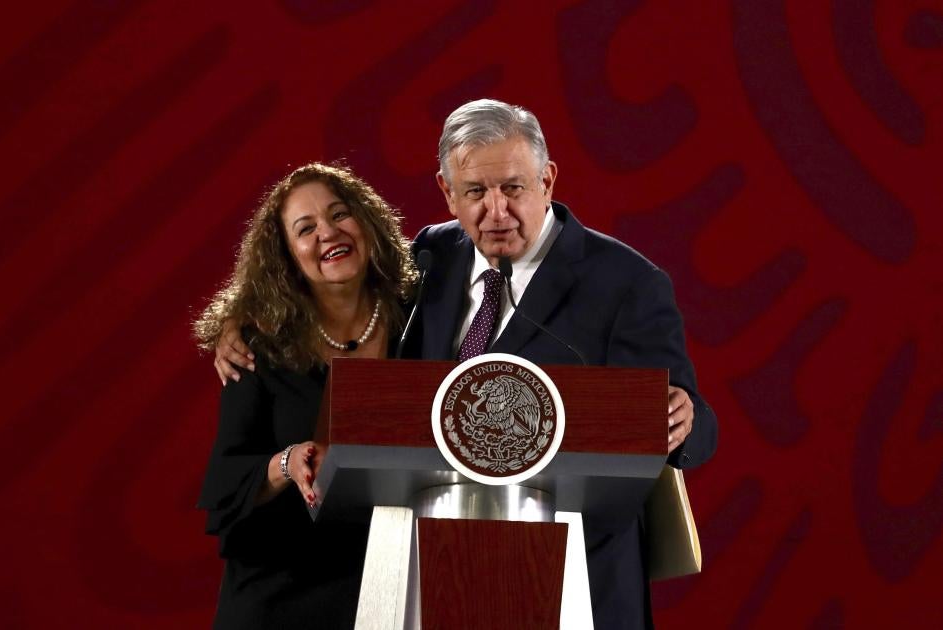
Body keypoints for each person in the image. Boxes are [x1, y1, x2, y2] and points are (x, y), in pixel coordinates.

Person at [214, 100, 717, 629]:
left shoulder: (626, 284)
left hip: (576, 580)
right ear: (447, 193)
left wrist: (685, 420)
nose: (495, 212)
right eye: (475, 193)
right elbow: (335, 290)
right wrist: (241, 322)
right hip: (433, 572)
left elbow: (696, 426)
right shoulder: (433, 255)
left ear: (547, 180)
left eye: (513, 188)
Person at [194, 162, 416, 629]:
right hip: (278, 598)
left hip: (387, 590)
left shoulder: (419, 319)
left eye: (340, 214)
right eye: (306, 228)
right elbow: (226, 478)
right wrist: (286, 462)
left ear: (367, 221)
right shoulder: (259, 347)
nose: (328, 233)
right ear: (287, 256)